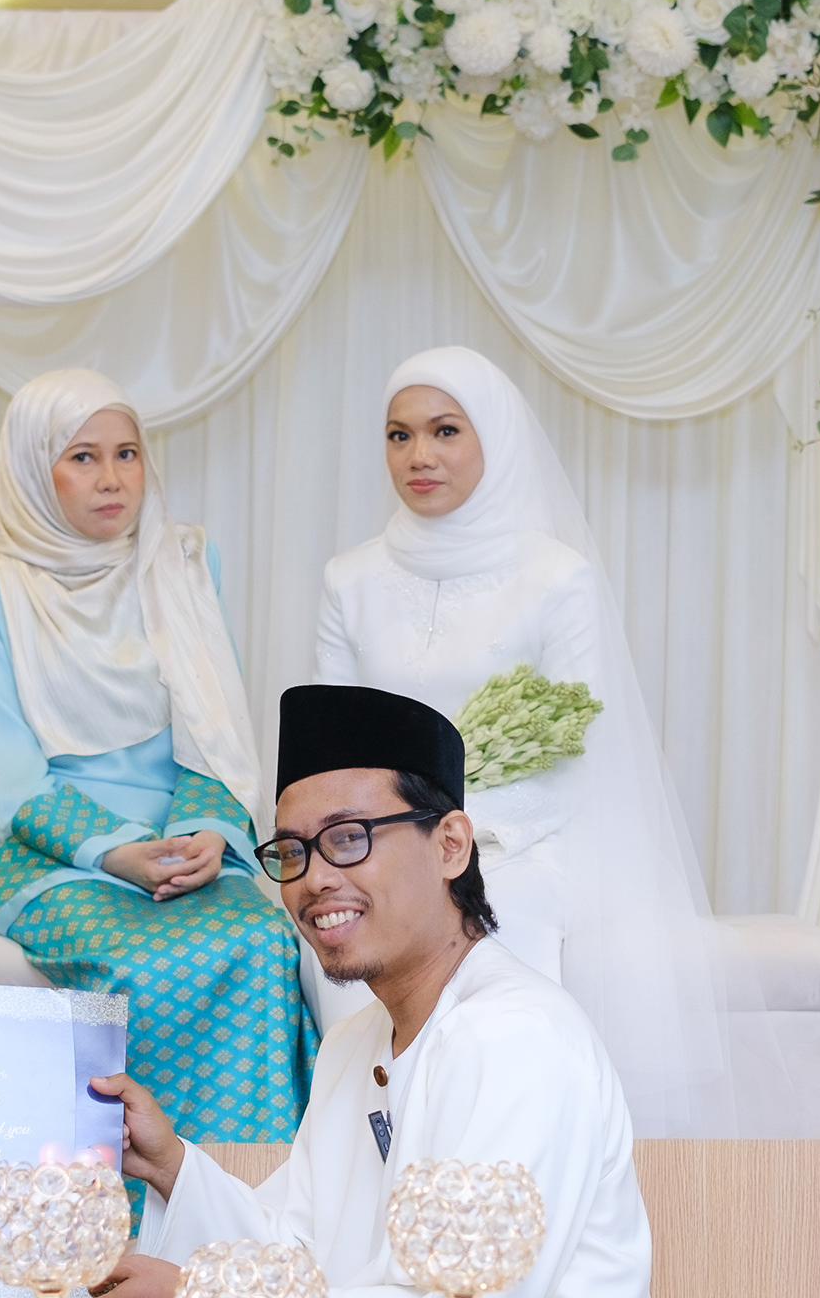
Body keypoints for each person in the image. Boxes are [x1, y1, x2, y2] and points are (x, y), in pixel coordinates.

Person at [84, 682, 654, 1298]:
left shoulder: (517, 1039)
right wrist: (167, 1164)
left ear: (450, 845)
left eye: (349, 838)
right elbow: (297, 1250)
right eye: (292, 852)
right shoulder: (356, 1041)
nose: (315, 879)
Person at [311, 347, 738, 1137]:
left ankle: (500, 1151)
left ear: (496, 438)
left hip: (520, 843)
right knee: (339, 925)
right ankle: (369, 1151)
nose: (420, 455)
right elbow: (333, 748)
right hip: (374, 842)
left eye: (445, 430)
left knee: (502, 917)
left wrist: (455, 840)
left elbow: (576, 751)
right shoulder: (350, 579)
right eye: (400, 436)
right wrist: (379, 840)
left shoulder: (555, 577)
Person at [0, 366, 311, 1144]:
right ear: (34, 470)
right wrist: (118, 854)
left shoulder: (186, 564)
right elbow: (13, 775)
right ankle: (131, 1196)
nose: (112, 479)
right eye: (82, 457)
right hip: (38, 848)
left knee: (263, 943)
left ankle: (249, 1188)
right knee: (141, 966)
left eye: (127, 454)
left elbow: (215, 726)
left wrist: (208, 835)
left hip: (184, 839)